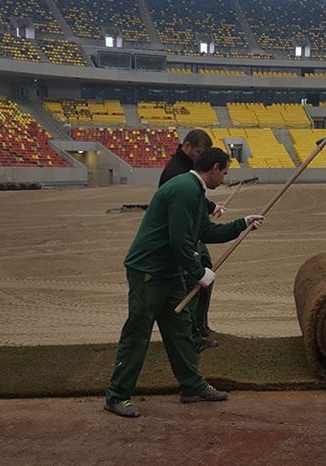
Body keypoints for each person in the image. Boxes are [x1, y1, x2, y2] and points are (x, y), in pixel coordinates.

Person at [104, 148, 264, 418]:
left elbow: (206, 232)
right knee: (137, 333)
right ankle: (117, 395)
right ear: (214, 168)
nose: (223, 179)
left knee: (180, 330)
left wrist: (242, 224)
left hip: (168, 272)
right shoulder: (185, 190)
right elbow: (180, 241)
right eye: (224, 173)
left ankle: (191, 386)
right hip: (148, 272)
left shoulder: (195, 192)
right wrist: (199, 272)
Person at [159, 129, 224, 352]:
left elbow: (197, 197)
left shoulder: (188, 171)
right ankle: (193, 335)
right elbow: (184, 208)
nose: (199, 156)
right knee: (196, 279)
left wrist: (212, 207)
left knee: (206, 275)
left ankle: (201, 326)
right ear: (186, 146)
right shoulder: (176, 172)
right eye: (197, 151)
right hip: (184, 235)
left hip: (192, 233)